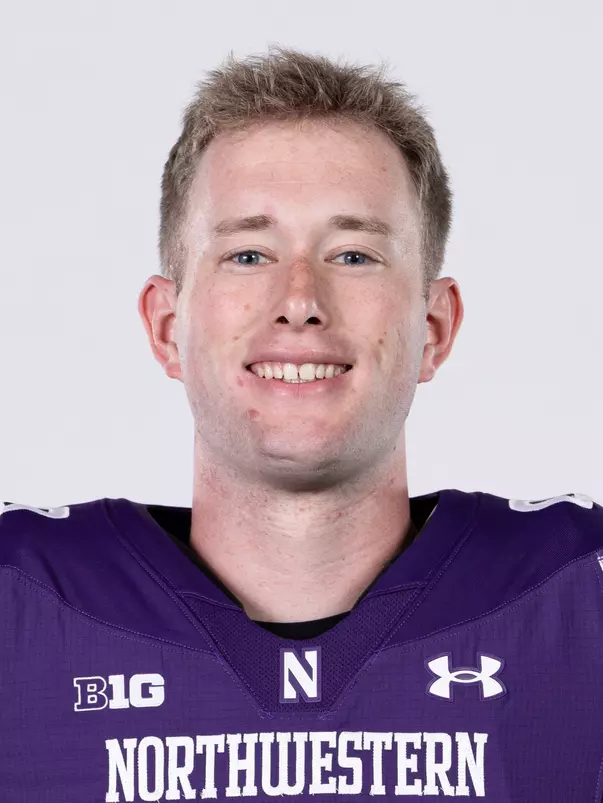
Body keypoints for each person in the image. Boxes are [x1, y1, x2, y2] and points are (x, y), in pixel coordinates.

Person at [0, 45, 601, 802]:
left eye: (352, 254)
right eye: (249, 253)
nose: (299, 298)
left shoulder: (577, 602)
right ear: (165, 327)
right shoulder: (21, 608)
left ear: (434, 327)